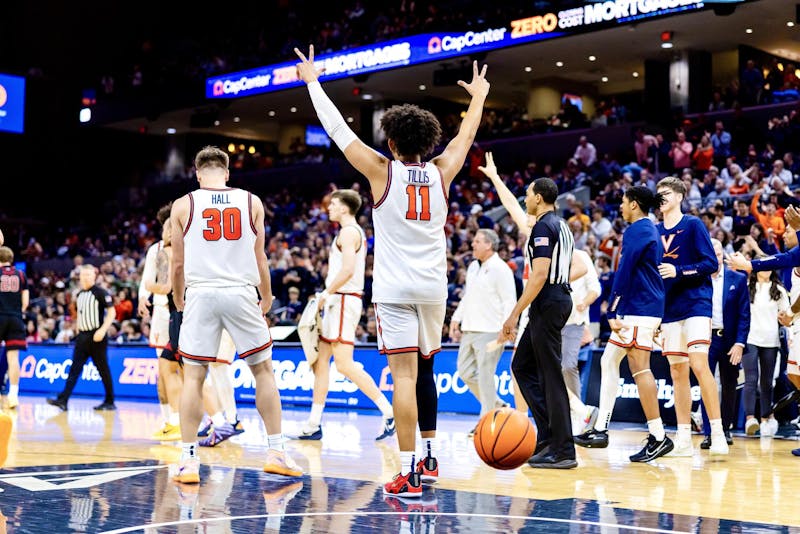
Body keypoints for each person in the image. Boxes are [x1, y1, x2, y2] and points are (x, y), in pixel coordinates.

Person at [295, 45, 489, 496]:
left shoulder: (382, 172)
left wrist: (313, 83)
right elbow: (466, 136)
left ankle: (408, 471)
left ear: (392, 142)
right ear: (429, 142)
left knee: (403, 377)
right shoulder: (444, 169)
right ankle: (430, 454)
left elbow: (339, 131)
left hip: (395, 288)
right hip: (434, 289)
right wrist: (478, 97)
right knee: (424, 371)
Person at [170, 146, 301, 484]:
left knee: (194, 378)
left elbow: (178, 263)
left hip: (201, 293)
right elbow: (261, 258)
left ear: (198, 174)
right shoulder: (251, 201)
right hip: (241, 291)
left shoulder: (183, 204)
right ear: (227, 173)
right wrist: (268, 295)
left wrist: (178, 296)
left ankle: (188, 461)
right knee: (263, 371)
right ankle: (276, 451)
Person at [575, 187, 674, 461]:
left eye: (622, 201)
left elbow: (624, 271)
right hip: (642, 307)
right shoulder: (648, 229)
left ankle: (658, 436)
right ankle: (600, 429)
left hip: (639, 309)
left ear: (634, 204)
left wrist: (613, 309)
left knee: (640, 370)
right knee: (608, 361)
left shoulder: (637, 230)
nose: (620, 206)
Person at [295, 188, 396, 441]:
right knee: (321, 364)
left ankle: (389, 412)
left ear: (344, 208)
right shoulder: (348, 232)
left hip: (342, 301)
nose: (329, 208)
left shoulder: (349, 232)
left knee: (344, 364)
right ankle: (313, 423)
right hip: (337, 301)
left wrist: (326, 293)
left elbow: (349, 270)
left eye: (333, 204)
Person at [499, 177, 577, 469]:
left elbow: (540, 274)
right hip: (554, 299)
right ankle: (548, 437)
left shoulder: (544, 226)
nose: (526, 199)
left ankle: (564, 449)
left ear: (540, 199)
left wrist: (514, 313)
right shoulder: (562, 224)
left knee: (550, 376)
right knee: (521, 365)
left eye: (529, 195)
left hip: (549, 299)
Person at [655, 176, 728, 455]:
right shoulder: (655, 230)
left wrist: (679, 270)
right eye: (658, 194)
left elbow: (710, 263)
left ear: (678, 197)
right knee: (677, 371)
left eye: (665, 194)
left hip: (697, 303)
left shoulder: (693, 224)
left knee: (700, 364)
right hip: (669, 309)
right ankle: (683, 437)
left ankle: (718, 432)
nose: (660, 198)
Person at [449, 228, 516, 434]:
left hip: (491, 331)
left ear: (489, 245)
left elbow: (509, 301)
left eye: (477, 241)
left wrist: (506, 328)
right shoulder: (472, 268)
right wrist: (456, 318)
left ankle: (486, 422)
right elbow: (467, 296)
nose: (473, 245)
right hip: (470, 328)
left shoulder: (501, 268)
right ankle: (496, 405)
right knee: (465, 372)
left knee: (486, 376)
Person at [697, 239, 749, 449]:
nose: (715, 258)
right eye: (712, 254)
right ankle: (710, 432)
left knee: (729, 385)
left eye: (718, 254)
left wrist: (739, 343)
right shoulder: (698, 279)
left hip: (729, 340)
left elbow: (744, 315)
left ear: (723, 256)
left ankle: (725, 429)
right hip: (704, 338)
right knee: (705, 384)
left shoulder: (737, 278)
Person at [47, 265, 116, 411]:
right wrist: (77, 330)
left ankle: (110, 401)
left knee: (103, 369)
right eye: (83, 275)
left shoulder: (101, 293)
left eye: (88, 275)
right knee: (74, 369)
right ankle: (63, 400)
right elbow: (80, 315)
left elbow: (112, 313)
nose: (85, 277)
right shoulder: (79, 295)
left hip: (97, 336)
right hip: (82, 337)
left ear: (94, 276)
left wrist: (103, 330)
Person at [140, 204, 181, 439]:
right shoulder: (160, 249)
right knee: (179, 370)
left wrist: (149, 290)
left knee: (168, 371)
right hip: (168, 311)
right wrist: (143, 297)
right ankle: (172, 420)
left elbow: (152, 282)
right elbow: (146, 281)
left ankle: (175, 420)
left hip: (171, 311)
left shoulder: (164, 250)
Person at [0, 247, 29, 409]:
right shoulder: (21, 274)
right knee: (13, 359)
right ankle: (13, 395)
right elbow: (25, 302)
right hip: (15, 318)